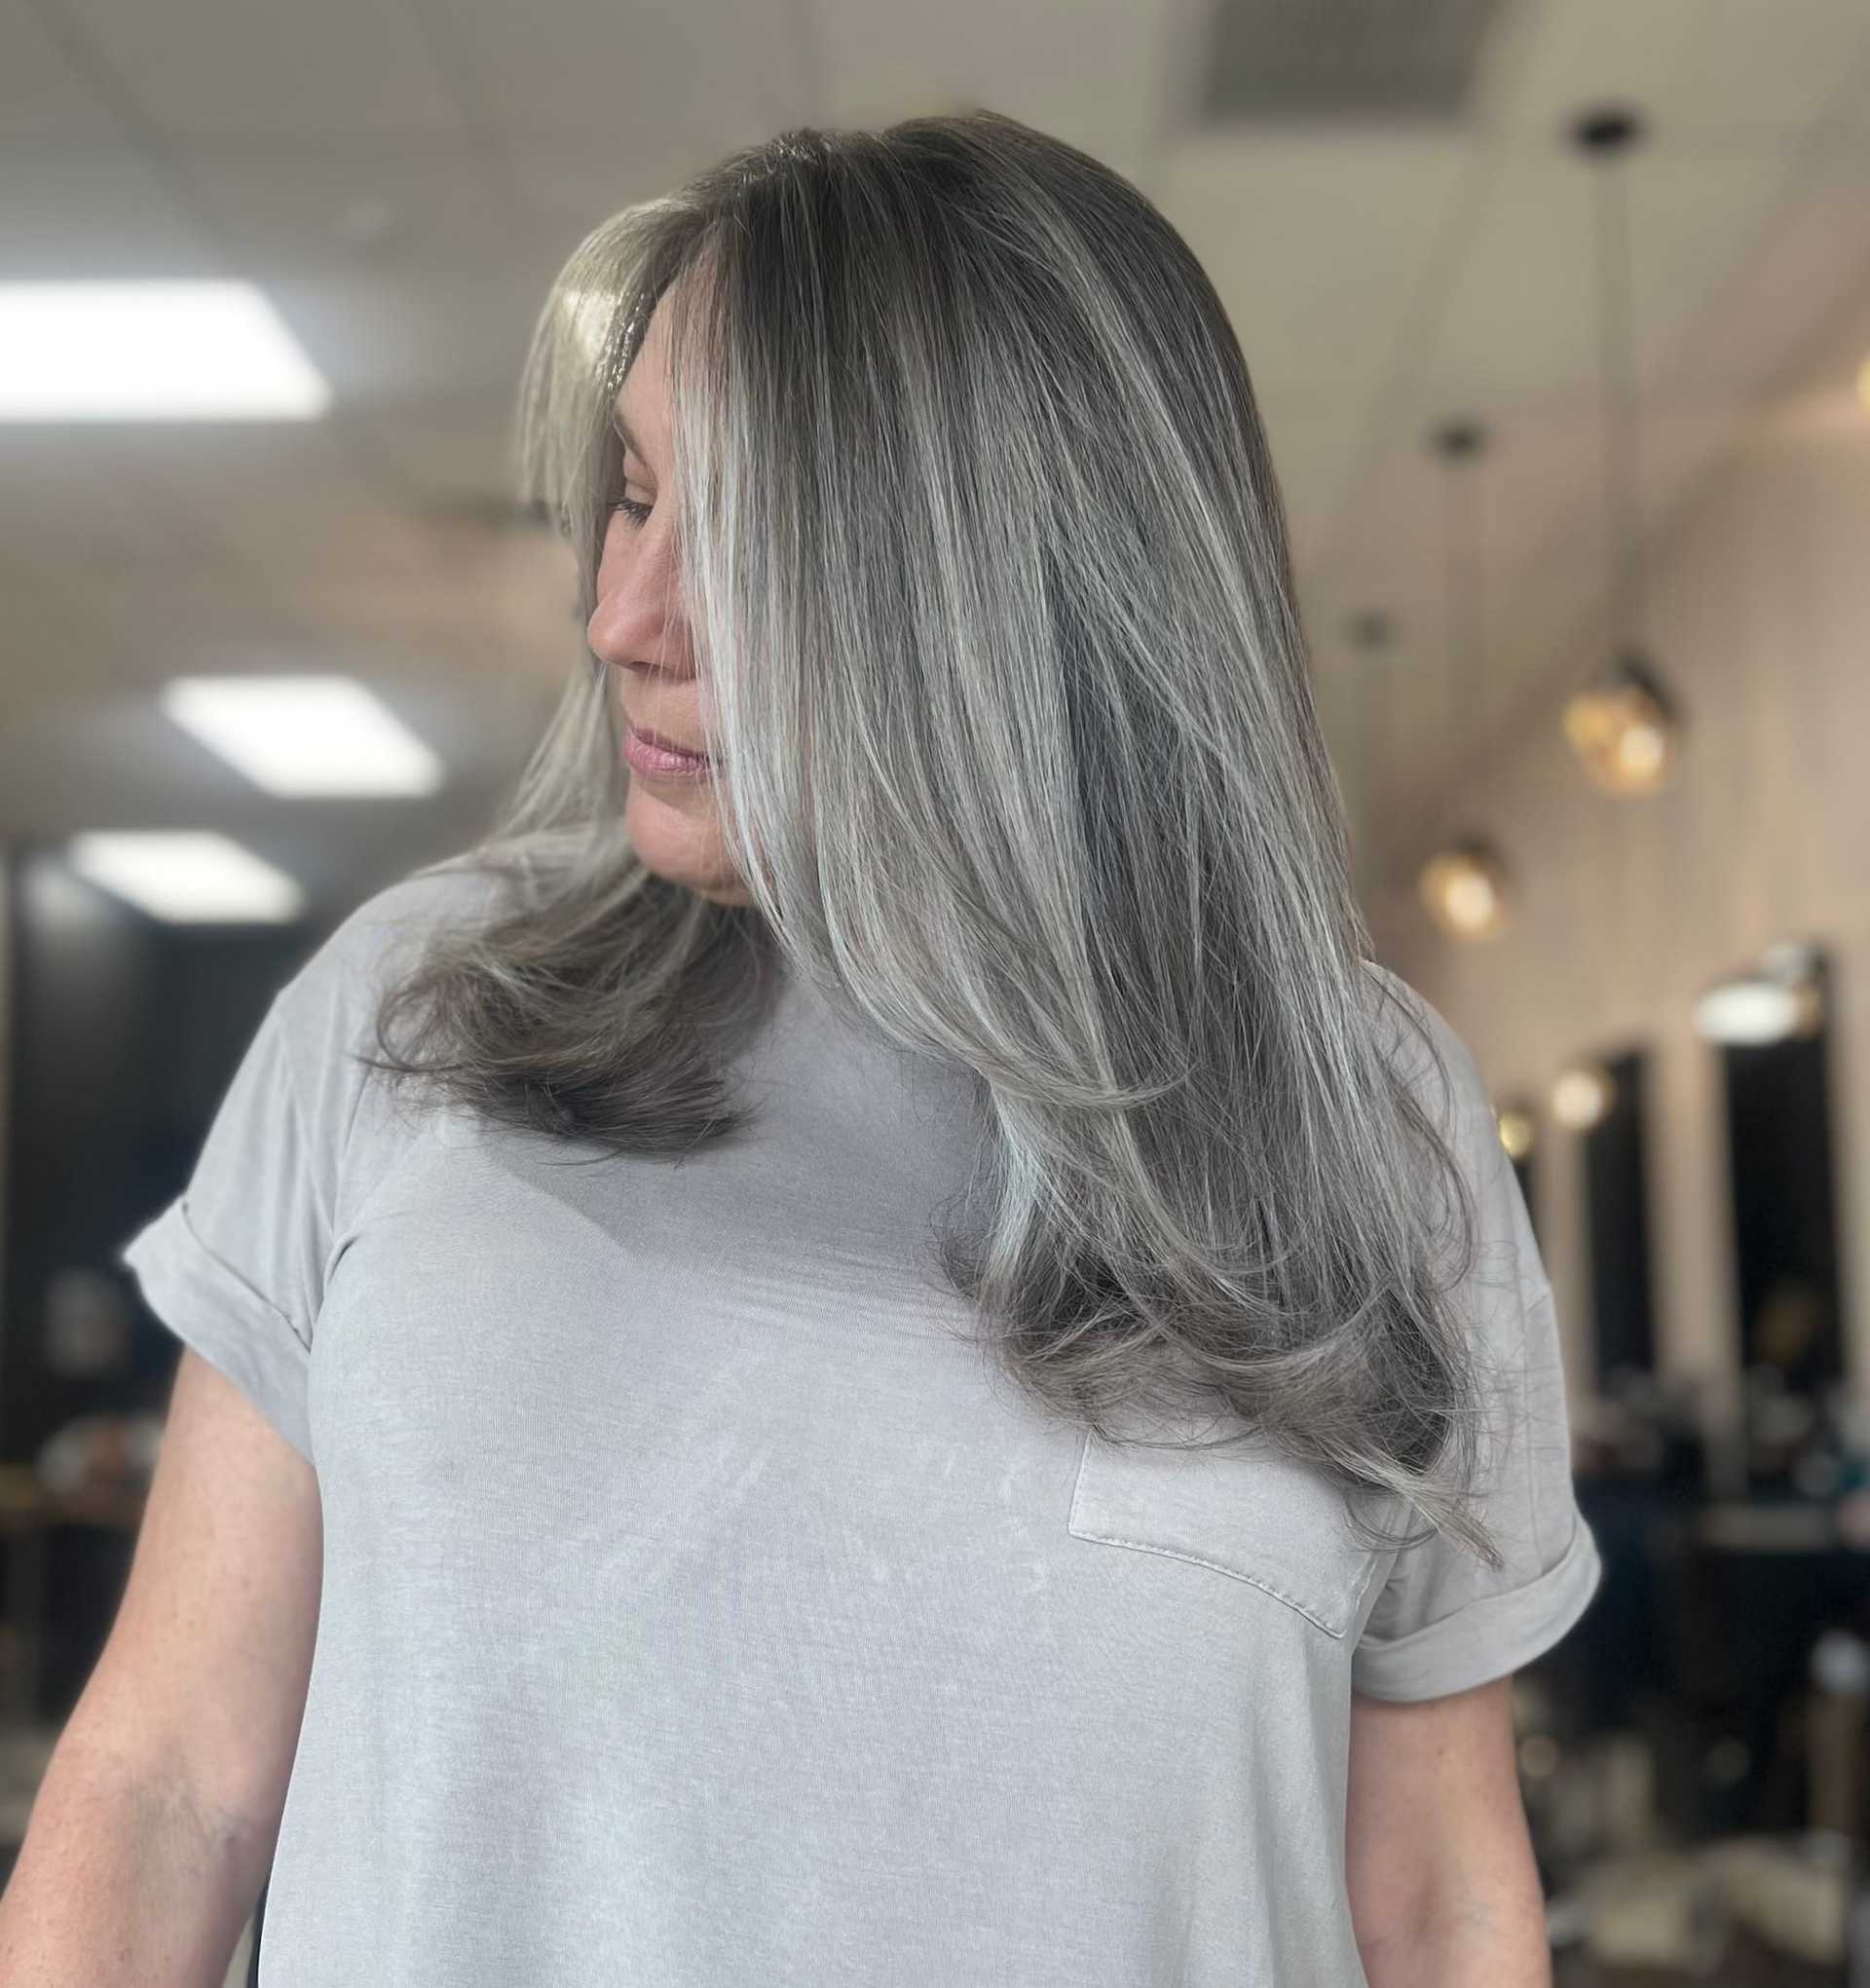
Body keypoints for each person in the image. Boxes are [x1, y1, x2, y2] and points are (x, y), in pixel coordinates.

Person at [0, 108, 1601, 1986]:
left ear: (1017, 595)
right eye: (632, 491)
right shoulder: (410, 1009)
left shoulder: (1359, 1118)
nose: (621, 617)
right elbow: (169, 1785)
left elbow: (1434, 1896)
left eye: (745, 533)